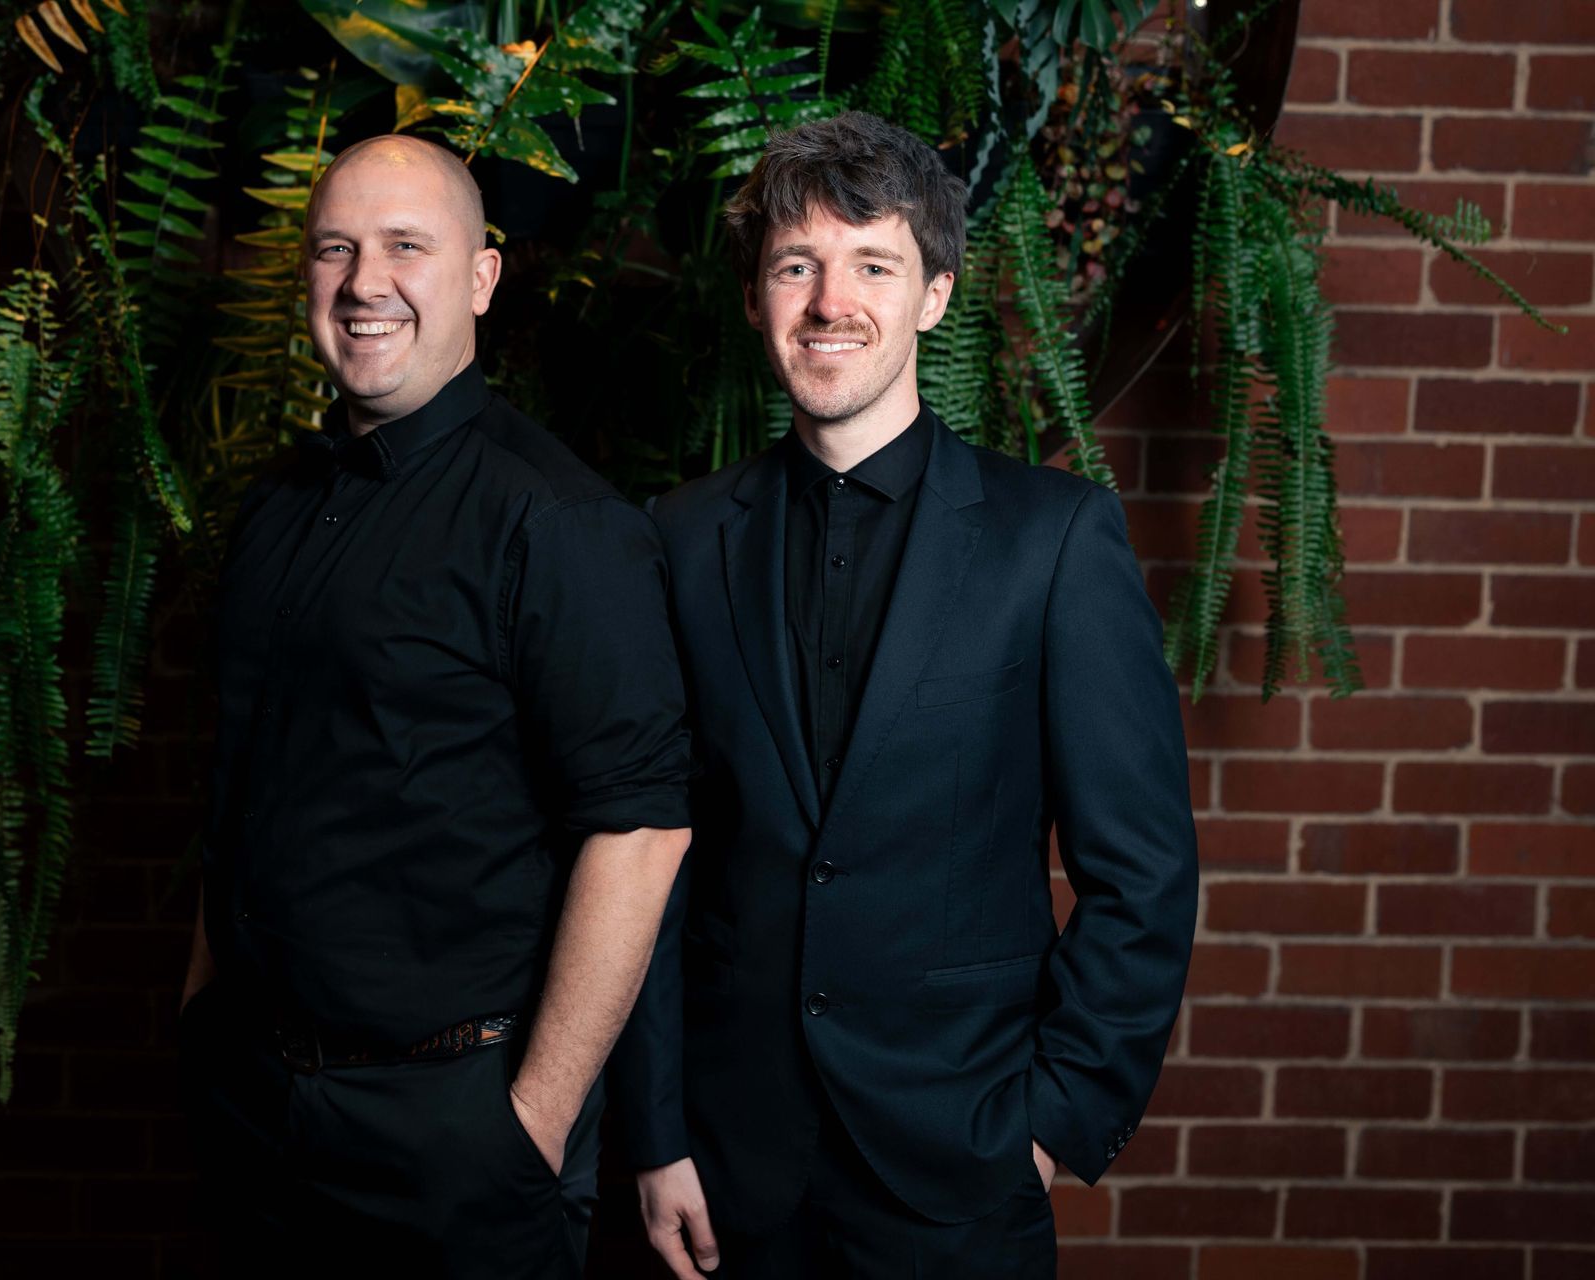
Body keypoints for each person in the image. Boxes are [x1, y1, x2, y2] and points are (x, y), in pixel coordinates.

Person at [613, 111, 1199, 1278]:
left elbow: (1142, 871)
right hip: (724, 1167)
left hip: (961, 1164)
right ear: (755, 299)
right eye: (797, 266)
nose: (831, 303)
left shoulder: (1054, 540)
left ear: (934, 294)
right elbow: (650, 863)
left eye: (873, 265)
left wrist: (1048, 1125)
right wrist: (655, 1129)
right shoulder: (676, 538)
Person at [178, 133, 693, 1278]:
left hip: (452, 1124)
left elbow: (642, 829)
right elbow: (243, 775)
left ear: (481, 277)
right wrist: (202, 1008)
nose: (366, 282)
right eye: (336, 249)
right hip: (256, 1104)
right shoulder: (276, 504)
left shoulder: (557, 523)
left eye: (406, 246)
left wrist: (534, 1119)